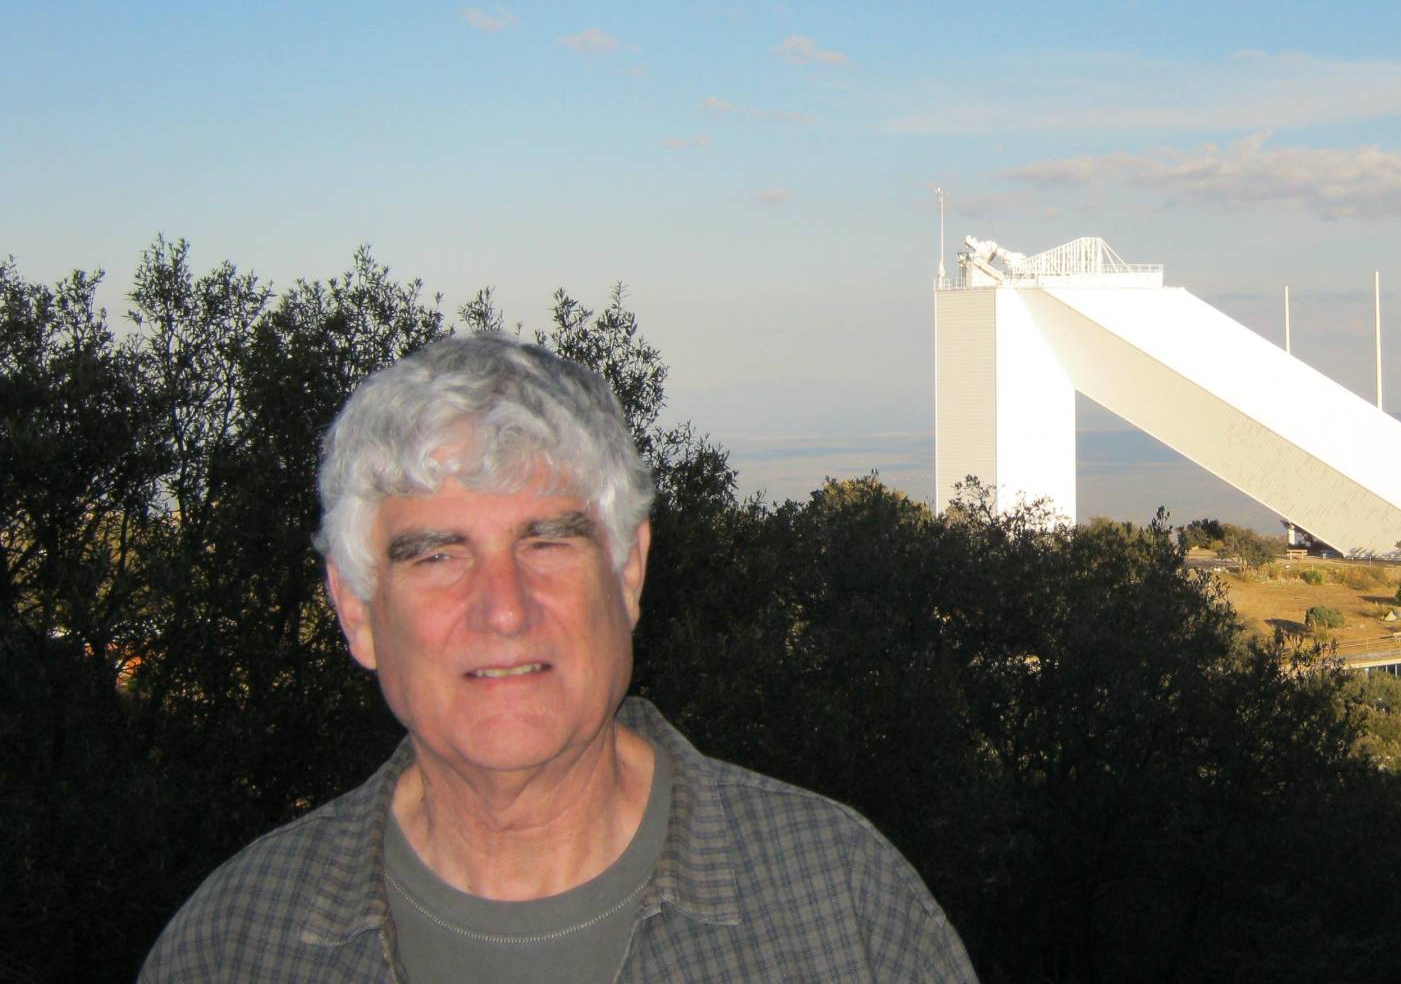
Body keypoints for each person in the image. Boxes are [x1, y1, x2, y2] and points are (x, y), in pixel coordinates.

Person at [142, 334, 976, 982]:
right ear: (356, 610)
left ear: (628, 572)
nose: (504, 607)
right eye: (437, 555)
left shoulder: (841, 907)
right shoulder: (234, 944)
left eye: (547, 541)